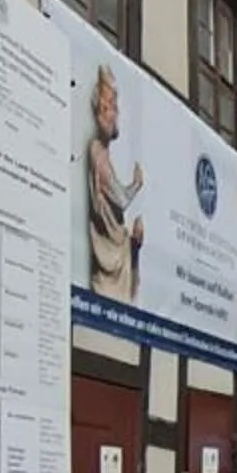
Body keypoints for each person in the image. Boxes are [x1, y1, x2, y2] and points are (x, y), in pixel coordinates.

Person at [87, 62, 143, 302]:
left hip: (118, 253)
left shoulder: (104, 154)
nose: (114, 113)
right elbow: (119, 199)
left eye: (113, 107)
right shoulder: (98, 153)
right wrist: (137, 184)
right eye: (108, 108)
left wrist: (132, 241)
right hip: (109, 265)